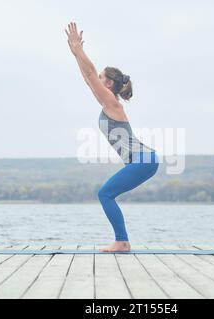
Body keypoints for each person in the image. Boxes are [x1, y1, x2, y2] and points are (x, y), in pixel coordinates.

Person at [65, 22, 159, 252]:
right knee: (107, 193)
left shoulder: (111, 102)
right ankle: (122, 240)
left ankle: (122, 241)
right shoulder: (108, 101)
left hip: (143, 160)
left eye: (101, 77)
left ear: (108, 83)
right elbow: (88, 78)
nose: (96, 79)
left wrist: (78, 50)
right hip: (144, 160)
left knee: (105, 193)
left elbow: (89, 74)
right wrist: (75, 55)